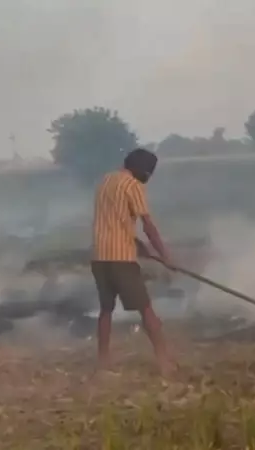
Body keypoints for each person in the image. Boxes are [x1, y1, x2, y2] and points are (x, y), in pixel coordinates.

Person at [90, 147, 175, 375]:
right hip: (121, 259)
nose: (148, 178)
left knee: (105, 310)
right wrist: (165, 255)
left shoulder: (106, 181)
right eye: (148, 173)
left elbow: (114, 222)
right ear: (142, 170)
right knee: (146, 309)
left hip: (99, 256)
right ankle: (164, 361)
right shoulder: (132, 186)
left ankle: (103, 361)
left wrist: (139, 245)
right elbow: (148, 226)